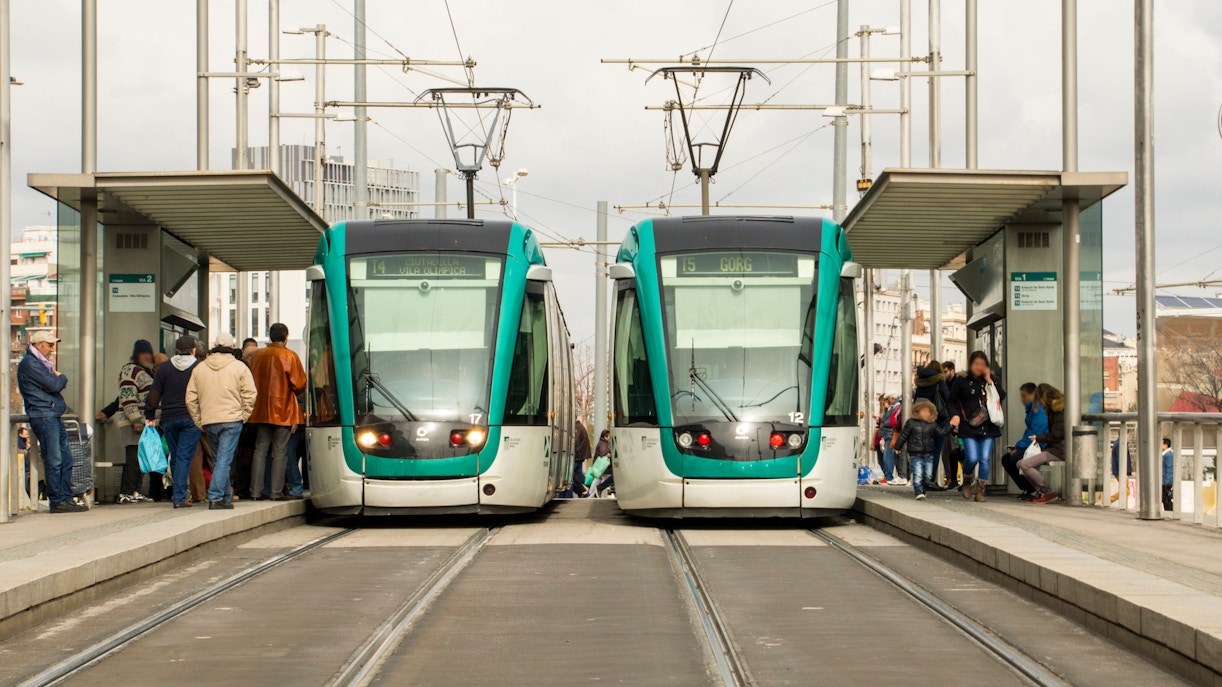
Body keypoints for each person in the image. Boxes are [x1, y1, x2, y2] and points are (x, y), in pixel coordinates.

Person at [187, 333, 257, 510]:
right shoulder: (239, 367)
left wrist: (199, 420)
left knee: (219, 458)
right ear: (232, 347)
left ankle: (225, 495)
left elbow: (190, 398)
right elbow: (250, 394)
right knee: (224, 459)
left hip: (210, 420)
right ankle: (216, 497)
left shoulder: (200, 368)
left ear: (214, 345)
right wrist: (244, 415)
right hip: (232, 418)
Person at [17, 331, 85, 513]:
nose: (52, 349)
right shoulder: (31, 363)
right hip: (44, 415)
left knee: (66, 458)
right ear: (39, 345)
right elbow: (54, 385)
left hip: (51, 413)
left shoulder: (39, 363)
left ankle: (66, 497)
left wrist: (55, 380)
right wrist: (61, 377)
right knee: (54, 459)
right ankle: (57, 501)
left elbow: (51, 386)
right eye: (49, 345)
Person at [247, 323, 307, 501]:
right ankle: (276, 492)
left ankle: (256, 492)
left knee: (260, 450)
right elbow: (299, 384)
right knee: (280, 452)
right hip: (283, 410)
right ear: (286, 337)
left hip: (260, 409)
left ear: (270, 336)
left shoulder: (257, 356)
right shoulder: (290, 355)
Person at [145, 336, 202, 508]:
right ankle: (179, 497)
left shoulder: (165, 367)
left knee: (175, 456)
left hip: (169, 418)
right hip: (190, 417)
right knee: (184, 457)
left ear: (176, 350)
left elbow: (155, 392)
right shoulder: (199, 367)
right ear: (193, 350)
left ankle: (178, 494)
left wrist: (149, 414)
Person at [948, 351, 1006, 502]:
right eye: (976, 364)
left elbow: (1001, 396)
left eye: (982, 364)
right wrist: (955, 415)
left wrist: (989, 380)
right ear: (970, 364)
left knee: (984, 459)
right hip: (969, 426)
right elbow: (951, 400)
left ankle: (980, 491)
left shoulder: (991, 380)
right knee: (972, 458)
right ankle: (967, 480)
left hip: (989, 426)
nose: (979, 367)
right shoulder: (962, 380)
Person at [115, 339, 157, 504]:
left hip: (146, 423)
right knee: (133, 458)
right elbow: (127, 396)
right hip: (134, 423)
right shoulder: (130, 370)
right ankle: (126, 492)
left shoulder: (147, 372)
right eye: (143, 353)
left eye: (148, 353)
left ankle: (135, 491)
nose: (146, 356)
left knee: (142, 459)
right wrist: (136, 419)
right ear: (136, 355)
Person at [892, 399, 958, 500]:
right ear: (917, 412)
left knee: (928, 474)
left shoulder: (932, 424)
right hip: (915, 453)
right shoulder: (911, 423)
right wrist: (898, 447)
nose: (926, 414)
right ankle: (918, 491)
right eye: (923, 411)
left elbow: (941, 432)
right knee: (918, 473)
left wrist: (951, 426)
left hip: (929, 453)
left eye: (928, 412)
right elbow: (904, 436)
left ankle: (923, 487)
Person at [1015, 383, 1066, 504]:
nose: (1040, 405)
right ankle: (1040, 491)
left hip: (1059, 450)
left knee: (1025, 465)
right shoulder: (1054, 410)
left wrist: (1038, 438)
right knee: (1019, 464)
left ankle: (1048, 492)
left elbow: (1057, 435)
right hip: (1054, 449)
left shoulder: (1059, 412)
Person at [1000, 383, 1047, 500]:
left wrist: (1019, 446)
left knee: (1014, 458)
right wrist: (1018, 446)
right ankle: (1028, 488)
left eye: (1024, 396)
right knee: (1007, 459)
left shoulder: (1038, 409)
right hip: (1034, 443)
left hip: (1041, 444)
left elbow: (1036, 432)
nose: (1022, 399)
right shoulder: (1032, 409)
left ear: (1032, 395)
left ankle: (1037, 488)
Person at [913, 360, 951, 490]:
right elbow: (947, 397)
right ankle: (930, 480)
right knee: (935, 451)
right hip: (938, 419)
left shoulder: (920, 382)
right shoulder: (939, 381)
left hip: (922, 420)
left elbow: (915, 399)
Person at [940, 361, 961, 489]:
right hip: (946, 421)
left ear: (952, 371)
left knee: (956, 451)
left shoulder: (957, 384)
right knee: (946, 452)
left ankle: (960, 478)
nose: (944, 374)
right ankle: (950, 478)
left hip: (955, 421)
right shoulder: (945, 384)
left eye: (945, 371)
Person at [878, 393, 903, 485]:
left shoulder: (896, 407)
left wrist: (884, 423)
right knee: (887, 456)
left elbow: (892, 421)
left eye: (887, 399)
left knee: (888, 456)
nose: (885, 402)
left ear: (892, 398)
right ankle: (888, 476)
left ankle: (888, 476)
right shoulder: (892, 408)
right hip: (888, 434)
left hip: (890, 433)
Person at [588, 429, 613, 497]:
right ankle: (593, 494)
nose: (610, 438)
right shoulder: (604, 444)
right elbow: (604, 454)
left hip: (599, 468)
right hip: (604, 468)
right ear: (605, 436)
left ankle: (591, 495)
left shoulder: (601, 443)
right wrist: (609, 454)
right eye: (609, 436)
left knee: (597, 481)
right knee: (608, 480)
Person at [1161, 437, 1174, 512]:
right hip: (1164, 480)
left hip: (1166, 482)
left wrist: (1167, 482)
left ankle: (1170, 513)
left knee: (1166, 499)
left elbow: (1169, 468)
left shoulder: (1169, 455)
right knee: (1165, 499)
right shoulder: (1165, 454)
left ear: (1166, 445)